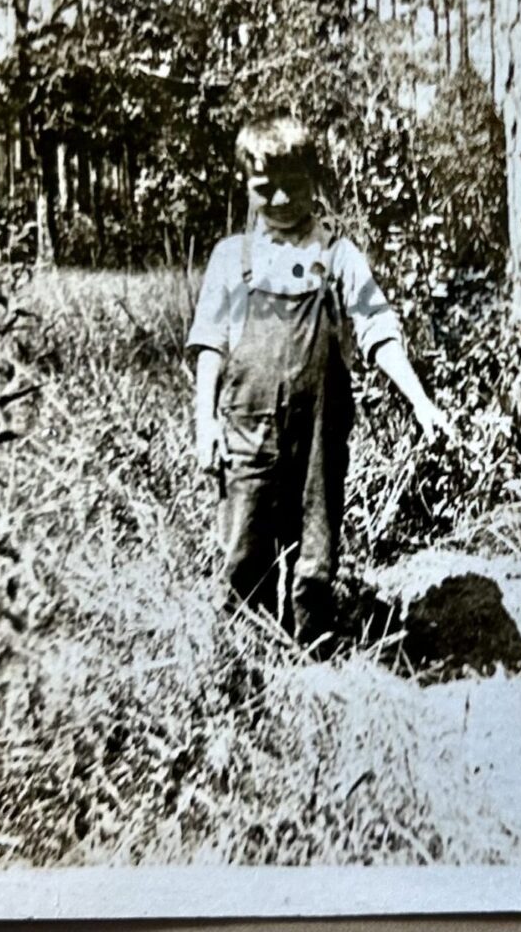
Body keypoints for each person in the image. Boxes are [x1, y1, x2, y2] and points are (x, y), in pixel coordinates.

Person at [187, 114, 453, 647]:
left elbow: (379, 331)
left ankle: (314, 663)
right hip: (246, 433)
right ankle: (250, 666)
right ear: (246, 183)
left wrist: (421, 403)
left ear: (315, 179)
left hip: (319, 438)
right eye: (267, 187)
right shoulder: (229, 258)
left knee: (315, 556)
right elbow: (210, 346)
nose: (282, 198)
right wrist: (204, 423)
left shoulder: (339, 255)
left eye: (296, 184)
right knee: (246, 550)